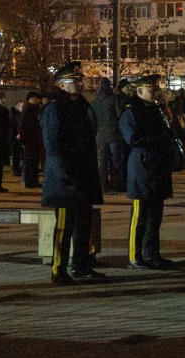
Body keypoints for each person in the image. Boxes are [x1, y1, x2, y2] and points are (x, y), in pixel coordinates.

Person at [41, 62, 106, 284]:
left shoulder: (82, 106)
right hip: (65, 178)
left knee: (83, 225)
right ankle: (58, 269)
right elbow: (53, 146)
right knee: (64, 227)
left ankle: (82, 265)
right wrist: (67, 171)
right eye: (74, 81)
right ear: (61, 84)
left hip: (84, 175)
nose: (79, 84)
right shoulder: (54, 108)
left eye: (80, 80)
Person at [119, 74, 178, 270]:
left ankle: (152, 253)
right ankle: (134, 256)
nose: (155, 94)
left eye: (156, 90)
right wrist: (159, 138)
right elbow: (133, 139)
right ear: (140, 91)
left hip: (158, 166)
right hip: (142, 167)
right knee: (140, 215)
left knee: (155, 215)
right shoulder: (131, 111)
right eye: (152, 91)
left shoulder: (157, 110)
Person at [91, 78, 127, 193]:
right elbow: (120, 115)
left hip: (100, 136)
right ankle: (116, 184)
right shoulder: (114, 100)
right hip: (114, 135)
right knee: (116, 161)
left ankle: (103, 185)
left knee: (102, 162)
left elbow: (92, 121)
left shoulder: (94, 103)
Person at [19, 92, 43, 188]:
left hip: (32, 139)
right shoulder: (29, 110)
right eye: (35, 99)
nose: (37, 101)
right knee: (30, 161)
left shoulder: (32, 109)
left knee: (33, 161)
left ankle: (32, 181)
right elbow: (24, 126)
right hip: (30, 139)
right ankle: (30, 181)